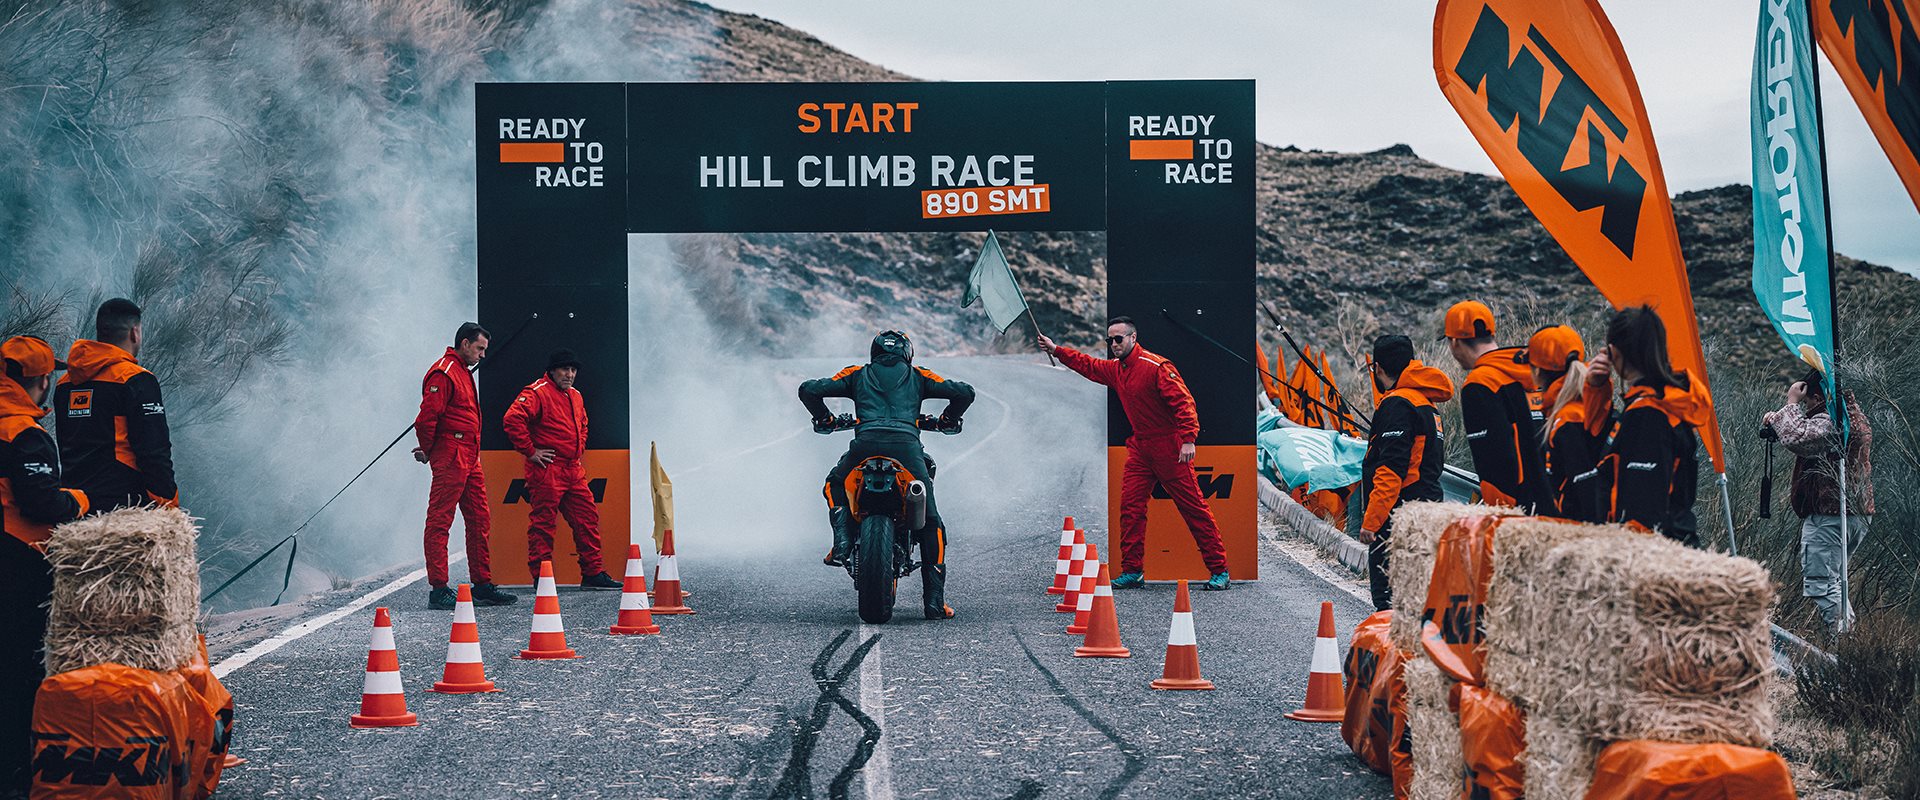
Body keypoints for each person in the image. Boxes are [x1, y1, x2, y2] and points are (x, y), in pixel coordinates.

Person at [1038, 317, 1233, 591]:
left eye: (1118, 339)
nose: (1113, 344)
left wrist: (1188, 439)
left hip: (1170, 448)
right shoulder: (1117, 369)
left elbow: (1184, 402)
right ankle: (1132, 571)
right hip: (1141, 449)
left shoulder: (1156, 367)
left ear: (1133, 338)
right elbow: (1088, 365)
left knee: (1194, 509)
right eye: (1109, 340)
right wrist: (1056, 350)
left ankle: (1220, 570)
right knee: (1130, 509)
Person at [800, 330, 973, 620]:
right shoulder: (918, 375)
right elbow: (965, 392)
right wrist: (948, 420)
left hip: (864, 446)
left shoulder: (857, 373)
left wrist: (824, 419)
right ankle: (934, 603)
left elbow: (808, 389)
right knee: (931, 523)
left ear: (874, 352)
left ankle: (842, 540)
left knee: (834, 484)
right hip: (906, 450)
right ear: (908, 354)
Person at [0, 336, 89, 796]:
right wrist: (77, 500)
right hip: (19, 562)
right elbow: (40, 504)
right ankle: (18, 773)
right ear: (40, 381)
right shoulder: (25, 434)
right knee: (22, 671)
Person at [1583, 306, 1711, 546]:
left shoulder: (1648, 413)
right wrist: (1597, 389)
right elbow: (1597, 444)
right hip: (1670, 547)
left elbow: (1642, 509)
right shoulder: (1658, 403)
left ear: (1613, 351)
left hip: (1654, 555)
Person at [415, 323, 517, 610]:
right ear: (464, 343)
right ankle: (438, 589)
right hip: (452, 455)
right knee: (440, 521)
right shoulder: (444, 372)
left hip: (468, 456)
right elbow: (426, 420)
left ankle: (482, 584)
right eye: (480, 348)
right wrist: (429, 451)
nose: (483, 355)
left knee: (479, 519)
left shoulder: (460, 370)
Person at [1762, 370, 1873, 631]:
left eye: (1808, 401)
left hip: (1830, 515)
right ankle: (1849, 640)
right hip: (1853, 514)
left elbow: (1799, 437)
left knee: (1823, 584)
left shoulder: (1834, 418)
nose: (1807, 407)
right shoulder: (1851, 414)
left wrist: (1791, 402)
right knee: (1834, 581)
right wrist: (1779, 419)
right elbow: (1808, 431)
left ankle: (1844, 641)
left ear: (1817, 397)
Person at [503, 349, 618, 590]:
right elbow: (512, 419)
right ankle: (542, 577)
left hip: (572, 468)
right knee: (543, 524)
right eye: (565, 369)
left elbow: (583, 424)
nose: (570, 374)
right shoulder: (537, 392)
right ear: (553, 370)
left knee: (587, 519)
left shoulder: (575, 395)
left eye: (573, 370)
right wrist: (531, 451)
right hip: (548, 469)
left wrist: (579, 446)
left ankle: (592, 573)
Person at [1357, 334, 1453, 611]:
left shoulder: (1398, 404)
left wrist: (1372, 522)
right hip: (1428, 510)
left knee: (1390, 604)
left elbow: (1391, 471)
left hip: (1399, 519)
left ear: (1378, 368)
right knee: (1418, 600)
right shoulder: (1426, 402)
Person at [54, 298, 177, 511]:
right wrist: (169, 505)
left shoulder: (65, 384)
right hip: (124, 507)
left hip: (76, 506)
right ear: (134, 333)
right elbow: (154, 451)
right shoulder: (136, 380)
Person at [1441, 301, 1550, 512]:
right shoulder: (1536, 369)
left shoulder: (1480, 383)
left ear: (1454, 342)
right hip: (1558, 499)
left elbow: (1493, 459)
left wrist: (1500, 513)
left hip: (1517, 510)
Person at [1525, 325, 1605, 522]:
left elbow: (1584, 485)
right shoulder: (1584, 404)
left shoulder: (1568, 418)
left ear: (1537, 371)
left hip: (1576, 527)